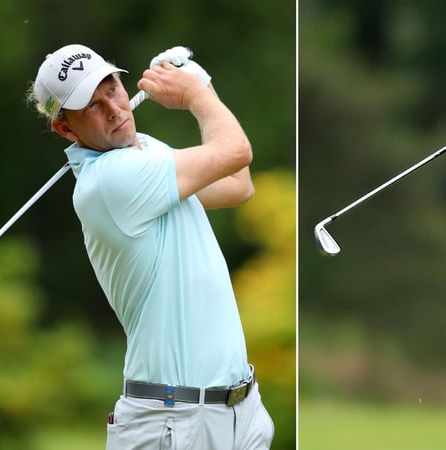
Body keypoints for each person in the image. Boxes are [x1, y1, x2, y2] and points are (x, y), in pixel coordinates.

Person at [28, 44, 274, 449]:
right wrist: (198, 95)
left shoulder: (146, 151)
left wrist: (201, 81)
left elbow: (238, 183)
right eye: (91, 105)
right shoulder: (110, 182)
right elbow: (236, 151)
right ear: (65, 129)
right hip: (173, 422)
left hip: (238, 413)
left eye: (112, 88)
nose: (112, 108)